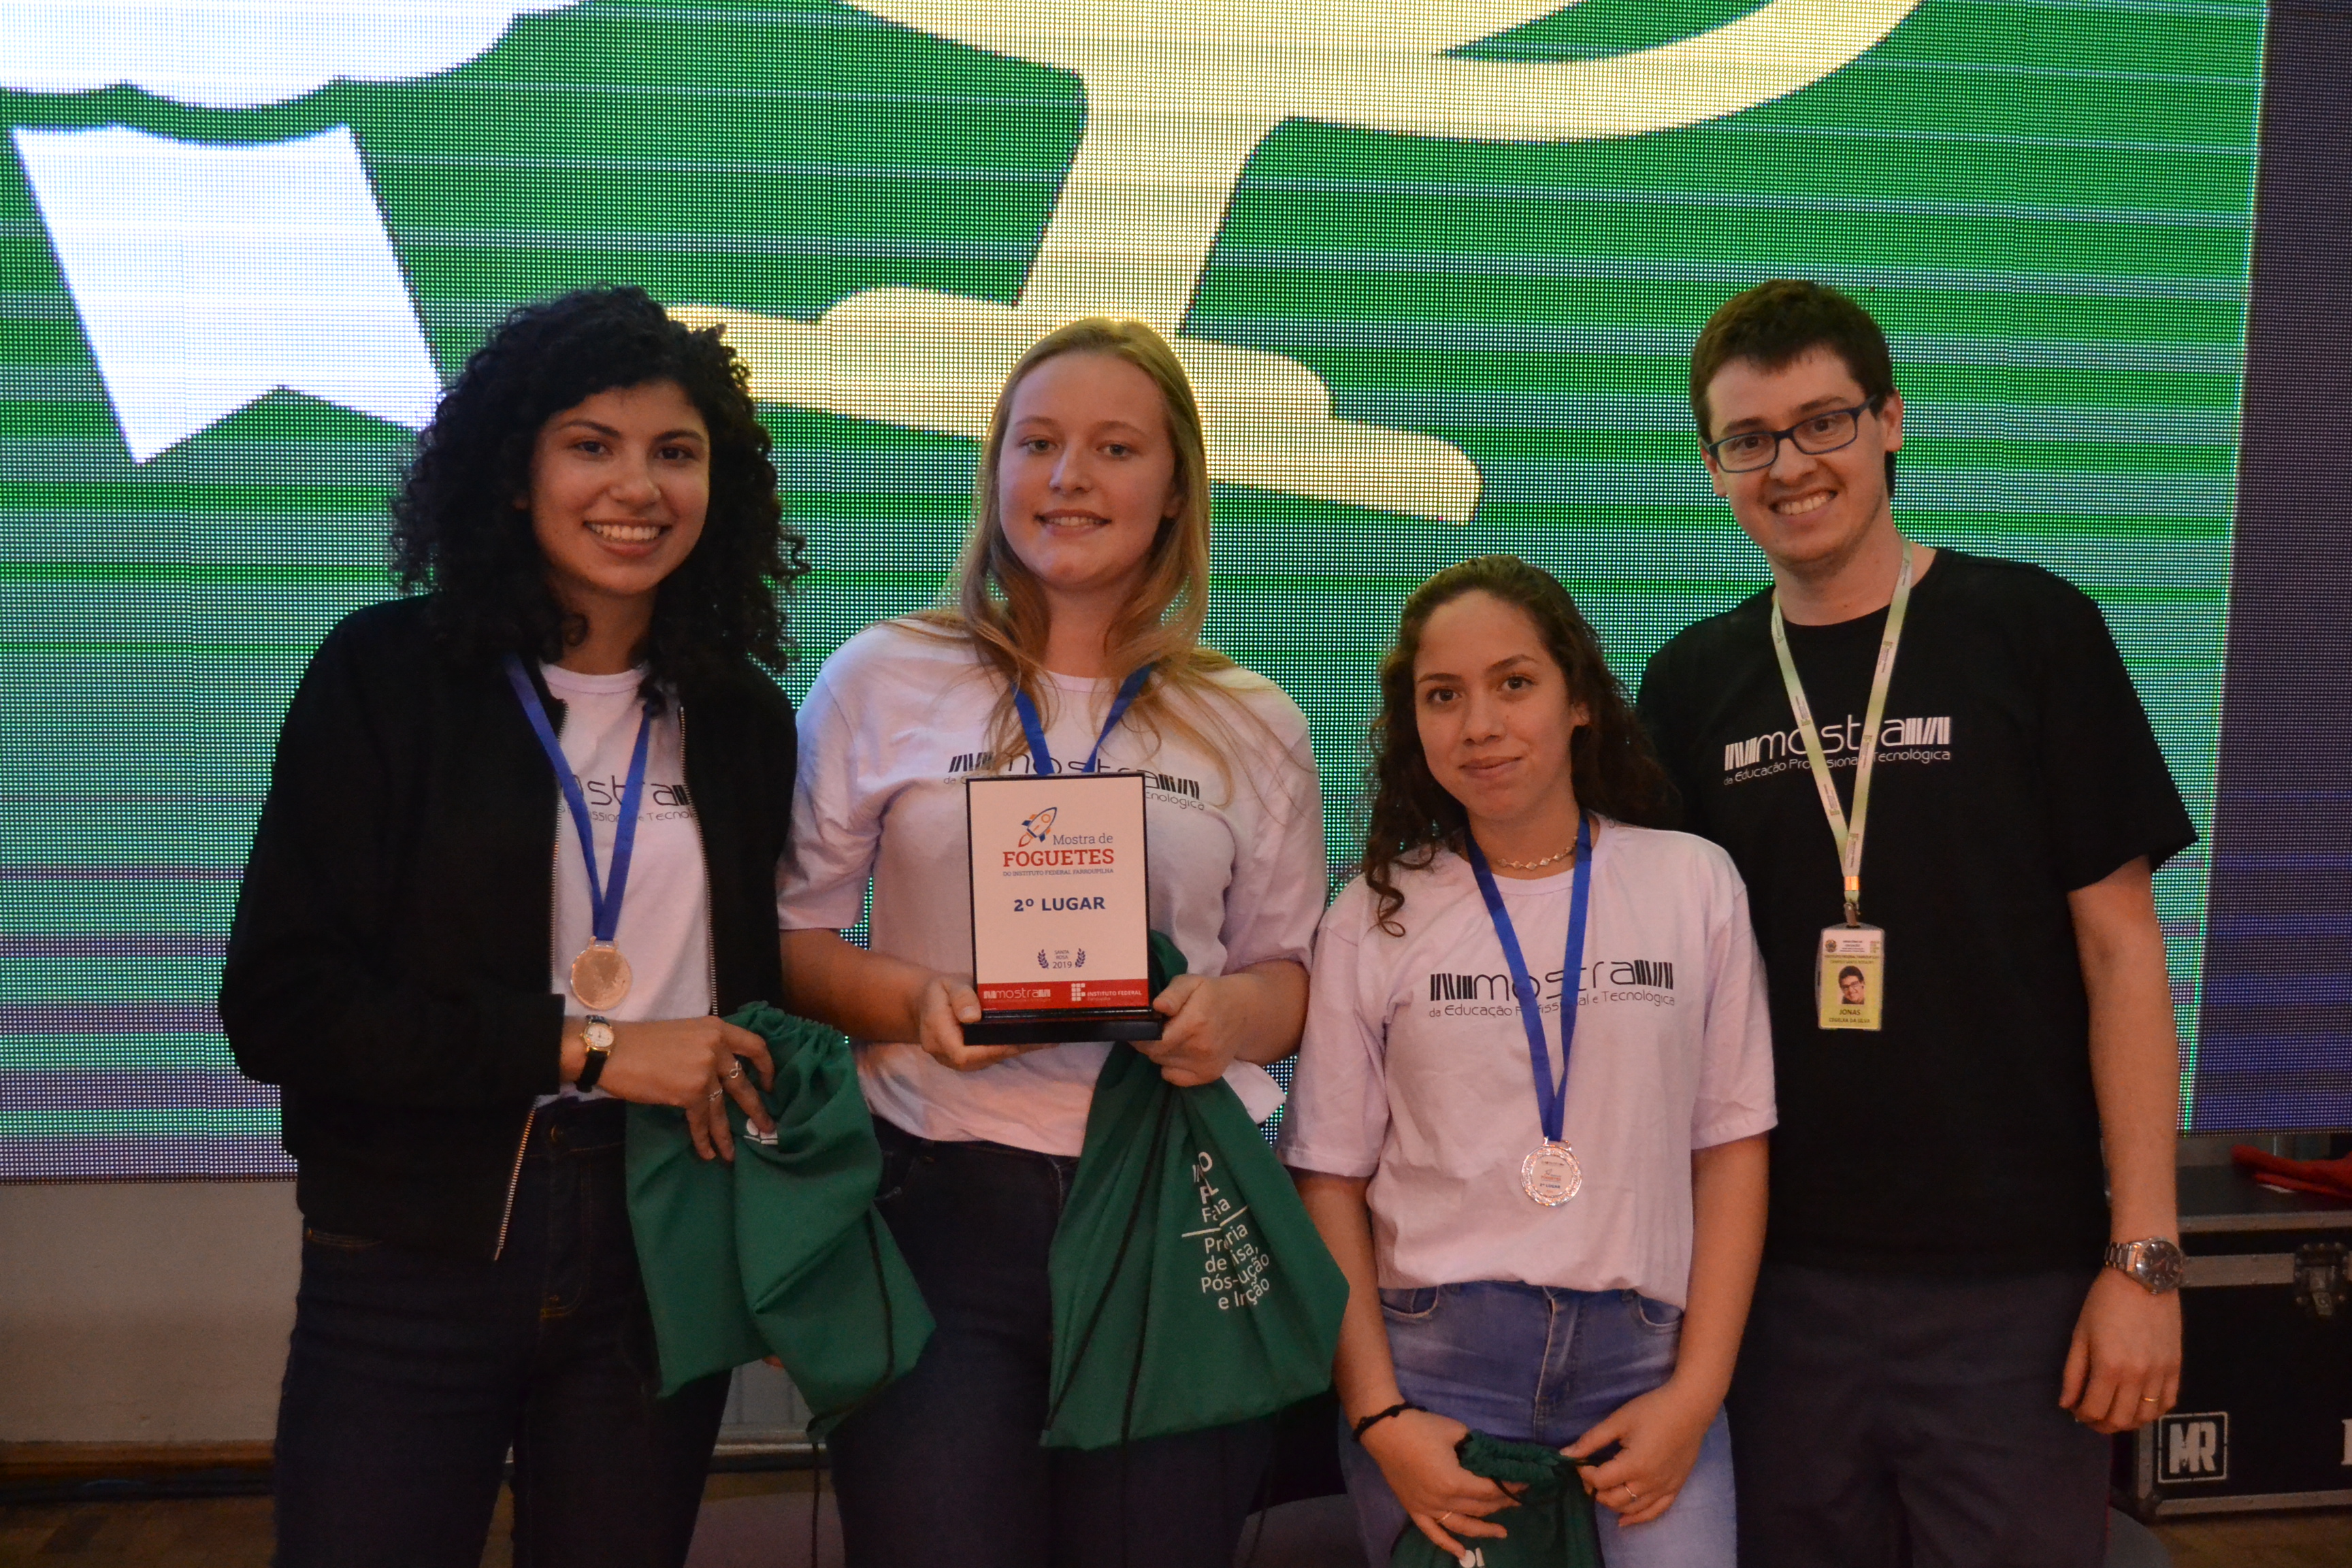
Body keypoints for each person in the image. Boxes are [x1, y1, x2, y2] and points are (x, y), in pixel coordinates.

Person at [219, 287, 805, 1568]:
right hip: (413, 1247)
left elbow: (758, 997)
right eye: (591, 444)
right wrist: (591, 1048)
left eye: (675, 451)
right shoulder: (386, 678)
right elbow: (284, 1004)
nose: (637, 487)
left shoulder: (743, 718)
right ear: (514, 470)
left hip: (660, 1232)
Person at [1635, 278, 2195, 1567]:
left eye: (1823, 423)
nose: (1791, 466)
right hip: (1770, 1294)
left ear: (1891, 421)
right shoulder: (1692, 684)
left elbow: (2123, 956)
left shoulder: (2031, 630)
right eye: (1749, 439)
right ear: (1714, 467)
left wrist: (2147, 1261)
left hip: (2016, 1289)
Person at [774, 316, 1328, 1567]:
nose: (1070, 477)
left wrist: (1231, 1018)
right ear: (997, 470)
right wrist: (913, 1003)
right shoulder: (881, 676)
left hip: (1168, 1200)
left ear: (1176, 488)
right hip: (932, 1196)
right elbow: (788, 944)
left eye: (1115, 448)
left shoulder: (1254, 719)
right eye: (1038, 444)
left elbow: (1292, 978)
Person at [1284, 555, 1776, 1567]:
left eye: (1514, 683)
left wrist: (1697, 1393)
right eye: (1443, 696)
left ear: (1579, 699)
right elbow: (1328, 1176)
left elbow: (1729, 1147)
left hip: (1647, 1370)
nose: (1481, 725)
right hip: (1436, 1370)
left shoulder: (1692, 883)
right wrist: (1379, 1416)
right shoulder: (1374, 912)